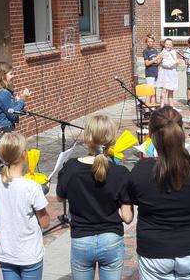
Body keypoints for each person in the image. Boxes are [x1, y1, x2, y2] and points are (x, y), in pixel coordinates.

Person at [128, 107, 190, 280]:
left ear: (151, 137)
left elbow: (134, 197)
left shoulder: (141, 170)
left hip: (154, 249)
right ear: (182, 132)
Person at [56, 115, 133, 280]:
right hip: (111, 238)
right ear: (111, 140)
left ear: (87, 138)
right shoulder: (121, 173)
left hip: (81, 238)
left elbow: (60, 198)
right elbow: (127, 217)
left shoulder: (71, 168)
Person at [0, 132, 50, 280]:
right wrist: (43, 194)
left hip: (7, 253)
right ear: (24, 154)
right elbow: (45, 222)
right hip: (29, 254)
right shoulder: (32, 187)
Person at [0, 62, 30, 154]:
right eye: (11, 74)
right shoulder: (2, 93)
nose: (13, 76)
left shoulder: (1, 92)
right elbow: (13, 115)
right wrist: (22, 99)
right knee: (8, 160)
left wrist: (17, 101)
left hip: (4, 129)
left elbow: (10, 109)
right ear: (2, 76)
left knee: (6, 160)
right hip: (3, 131)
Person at [155, 38, 180, 109]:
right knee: (164, 91)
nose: (168, 46)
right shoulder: (163, 52)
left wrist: (177, 63)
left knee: (171, 91)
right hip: (165, 73)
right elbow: (165, 64)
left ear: (172, 45)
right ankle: (162, 107)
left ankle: (171, 107)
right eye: (167, 44)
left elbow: (176, 63)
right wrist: (175, 63)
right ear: (164, 45)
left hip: (172, 73)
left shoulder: (173, 52)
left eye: (170, 44)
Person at [142, 34, 161, 104]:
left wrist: (160, 59)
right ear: (146, 42)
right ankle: (147, 109)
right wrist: (156, 59)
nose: (150, 43)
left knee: (153, 93)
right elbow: (147, 63)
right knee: (149, 92)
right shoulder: (145, 51)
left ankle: (152, 108)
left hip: (155, 73)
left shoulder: (155, 50)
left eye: (151, 41)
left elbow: (157, 62)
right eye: (148, 41)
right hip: (149, 74)